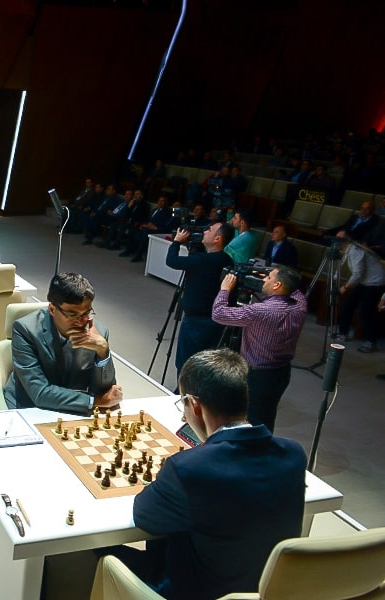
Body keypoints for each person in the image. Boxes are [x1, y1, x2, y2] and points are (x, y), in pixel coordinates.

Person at [123, 349, 306, 600]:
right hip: (269, 590)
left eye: (183, 405)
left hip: (199, 593)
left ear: (194, 405)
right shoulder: (294, 454)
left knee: (98, 552)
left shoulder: (187, 468)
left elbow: (144, 516)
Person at [3, 272, 123, 414]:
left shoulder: (99, 333)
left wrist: (103, 351)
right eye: (73, 315)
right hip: (29, 407)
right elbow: (40, 393)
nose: (81, 322)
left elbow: (106, 392)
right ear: (52, 309)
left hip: (74, 407)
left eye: (86, 313)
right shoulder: (26, 330)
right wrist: (95, 401)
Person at [212, 265, 307, 432]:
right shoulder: (300, 306)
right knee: (266, 414)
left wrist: (225, 289)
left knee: (254, 420)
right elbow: (294, 286)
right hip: (281, 372)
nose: (264, 280)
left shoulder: (259, 311)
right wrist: (268, 272)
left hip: (258, 376)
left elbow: (218, 314)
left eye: (268, 278)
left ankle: (254, 445)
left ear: (277, 285)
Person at [166, 221, 235, 378]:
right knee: (204, 362)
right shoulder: (227, 260)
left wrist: (176, 242)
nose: (204, 232)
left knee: (186, 362)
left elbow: (172, 261)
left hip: (195, 322)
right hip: (215, 321)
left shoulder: (202, 260)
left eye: (209, 230)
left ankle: (184, 388)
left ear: (217, 239)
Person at [334, 233, 385, 353]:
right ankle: (343, 333)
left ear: (347, 239)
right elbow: (343, 265)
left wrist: (345, 287)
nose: (336, 240)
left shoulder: (356, 250)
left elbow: (358, 273)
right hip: (364, 282)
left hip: (375, 283)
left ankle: (371, 342)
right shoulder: (350, 249)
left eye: (339, 238)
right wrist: (336, 277)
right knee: (348, 305)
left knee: (364, 312)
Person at [120, 194, 173, 262]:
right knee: (133, 230)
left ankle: (139, 255)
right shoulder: (154, 210)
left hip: (156, 230)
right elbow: (147, 219)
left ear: (166, 203)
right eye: (159, 200)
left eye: (162, 201)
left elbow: (166, 224)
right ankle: (128, 250)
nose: (160, 202)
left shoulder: (167, 212)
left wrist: (155, 227)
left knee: (145, 234)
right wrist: (143, 224)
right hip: (147, 227)